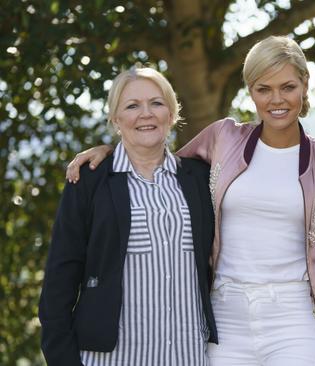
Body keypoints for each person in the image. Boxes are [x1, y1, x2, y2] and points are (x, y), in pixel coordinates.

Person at [65, 36, 315, 365]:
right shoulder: (223, 137)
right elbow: (157, 165)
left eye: (288, 87)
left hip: (293, 314)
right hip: (226, 313)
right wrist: (111, 152)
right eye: (263, 88)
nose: (276, 99)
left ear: (305, 85)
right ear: (250, 91)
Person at [39, 67, 217, 365]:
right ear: (115, 119)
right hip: (112, 358)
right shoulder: (90, 181)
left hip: (189, 354)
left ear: (172, 114)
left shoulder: (200, 178)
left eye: (156, 103)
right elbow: (60, 278)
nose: (145, 114)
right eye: (132, 106)